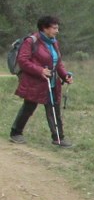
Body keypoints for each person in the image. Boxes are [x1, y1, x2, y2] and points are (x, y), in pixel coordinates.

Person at [9, 15, 74, 147]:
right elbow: (23, 61)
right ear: (44, 28)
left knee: (54, 109)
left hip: (52, 83)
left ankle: (58, 138)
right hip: (35, 83)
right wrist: (40, 70)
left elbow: (58, 63)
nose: (57, 31)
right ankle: (15, 133)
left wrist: (65, 76)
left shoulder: (54, 42)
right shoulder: (31, 41)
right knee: (29, 107)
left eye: (57, 28)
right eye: (54, 28)